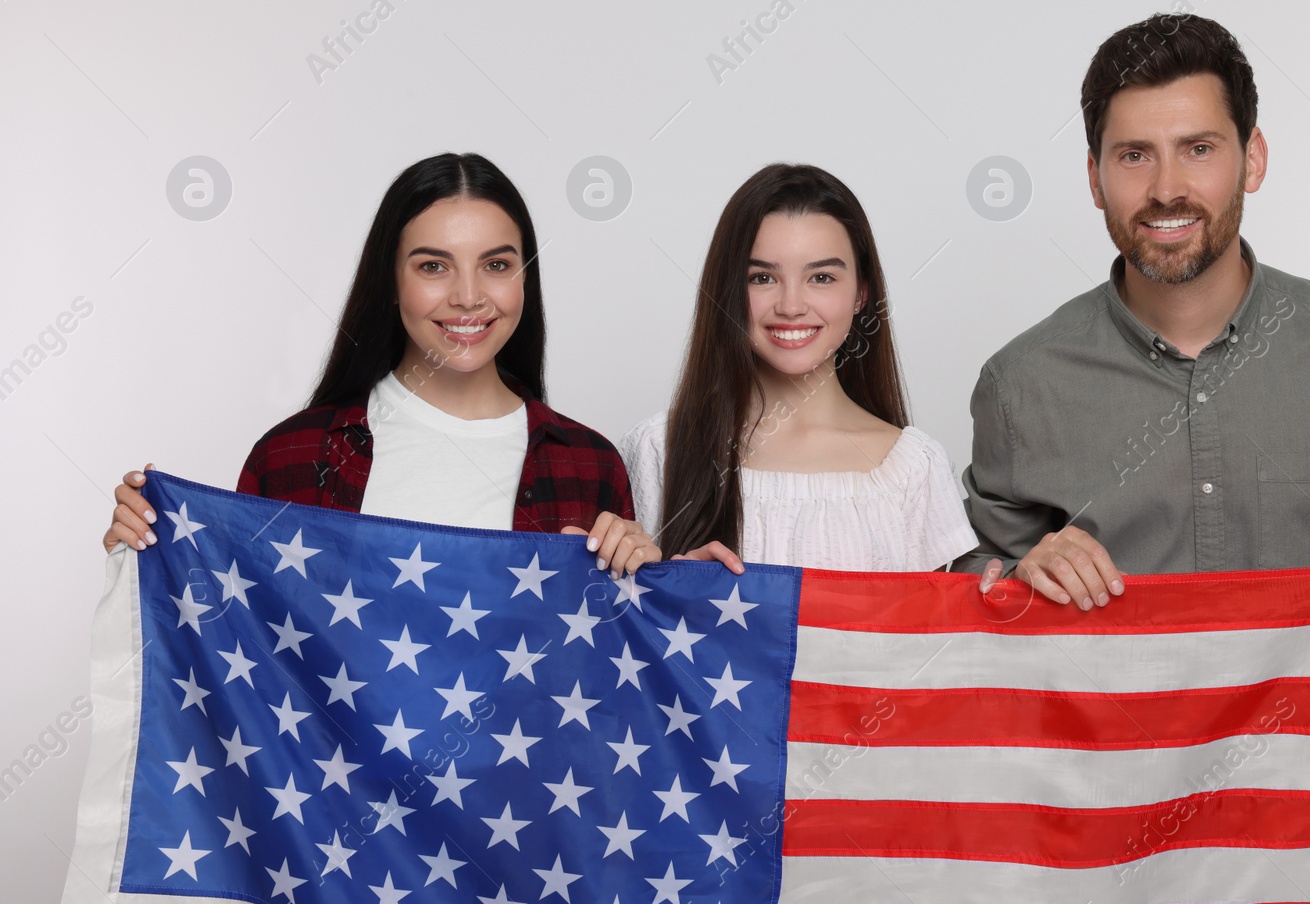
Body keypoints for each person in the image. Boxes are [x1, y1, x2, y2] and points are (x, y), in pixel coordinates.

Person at [959, 14, 1310, 608]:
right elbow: (973, 576)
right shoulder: (1020, 384)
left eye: (1198, 149)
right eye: (1135, 155)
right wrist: (1013, 573)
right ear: (1095, 179)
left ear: (1253, 160)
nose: (1167, 188)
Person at [102, 152, 657, 575]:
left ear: (525, 279)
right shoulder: (290, 457)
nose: (468, 296)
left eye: (495, 264)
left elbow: (613, 684)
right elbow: (240, 638)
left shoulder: (591, 466)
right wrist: (145, 558)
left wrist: (647, 575)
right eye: (433, 266)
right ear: (390, 283)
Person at [623, 162, 976, 573]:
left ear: (861, 294)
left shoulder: (915, 470)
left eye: (822, 277)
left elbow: (934, 633)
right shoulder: (656, 450)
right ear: (729, 290)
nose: (791, 306)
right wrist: (674, 584)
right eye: (761, 278)